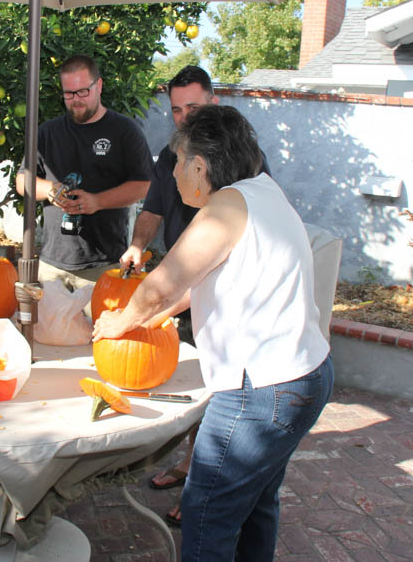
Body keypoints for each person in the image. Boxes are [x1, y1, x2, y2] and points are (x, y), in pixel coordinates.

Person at [93, 105, 333, 562]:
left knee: (206, 512)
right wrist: (148, 317)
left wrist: (120, 322)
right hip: (304, 376)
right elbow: (194, 284)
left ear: (199, 166)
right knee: (257, 504)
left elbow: (164, 282)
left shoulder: (226, 207)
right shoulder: (263, 193)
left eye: (177, 163)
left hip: (261, 392)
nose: (174, 175)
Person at [122, 67, 272, 518]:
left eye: (194, 108)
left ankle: (204, 480)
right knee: (193, 379)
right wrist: (136, 245)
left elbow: (205, 264)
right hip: (189, 285)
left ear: (214, 105)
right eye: (177, 110)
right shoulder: (173, 155)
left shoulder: (242, 171)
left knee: (218, 387)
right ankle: (198, 466)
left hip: (225, 304)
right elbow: (152, 208)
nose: (184, 118)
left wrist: (132, 313)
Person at [15, 54, 153, 291]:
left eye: (82, 92)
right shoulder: (47, 132)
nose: (75, 100)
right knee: (49, 329)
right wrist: (50, 190)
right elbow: (21, 181)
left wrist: (97, 201)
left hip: (104, 264)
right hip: (52, 264)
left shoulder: (125, 131)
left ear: (98, 86)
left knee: (100, 328)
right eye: (68, 93)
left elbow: (144, 185)